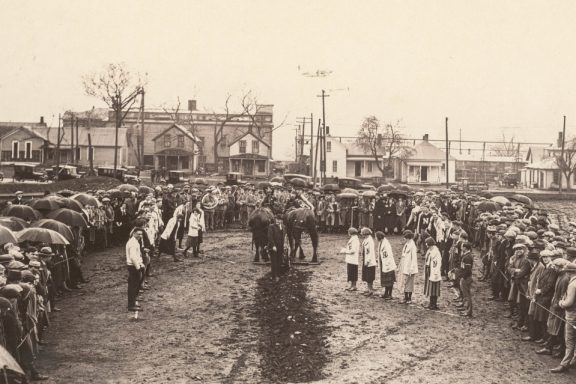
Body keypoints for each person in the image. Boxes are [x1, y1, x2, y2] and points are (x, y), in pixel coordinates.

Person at [550, 260, 576, 373]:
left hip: (572, 315)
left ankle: (564, 364)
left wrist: (561, 303)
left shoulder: (573, 284)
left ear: (570, 273)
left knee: (569, 340)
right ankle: (573, 360)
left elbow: (568, 303)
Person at [126, 228, 145, 311]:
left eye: (141, 234)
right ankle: (131, 305)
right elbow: (133, 257)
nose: (140, 236)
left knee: (135, 285)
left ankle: (133, 300)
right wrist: (138, 267)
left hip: (135, 265)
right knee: (133, 285)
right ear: (134, 233)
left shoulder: (134, 241)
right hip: (133, 266)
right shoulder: (133, 243)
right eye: (138, 234)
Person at [398, 230, 418, 304]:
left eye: (406, 238)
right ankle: (405, 296)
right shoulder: (406, 244)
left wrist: (411, 268)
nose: (405, 239)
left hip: (410, 267)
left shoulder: (412, 245)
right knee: (405, 282)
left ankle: (409, 297)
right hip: (405, 265)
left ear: (408, 238)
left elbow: (414, 258)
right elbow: (403, 255)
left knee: (409, 283)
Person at [423, 237, 442, 310]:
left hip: (434, 272)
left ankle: (433, 304)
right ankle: (431, 303)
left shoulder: (436, 252)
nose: (426, 245)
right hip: (429, 271)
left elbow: (437, 264)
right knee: (431, 288)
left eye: (427, 244)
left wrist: (436, 273)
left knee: (434, 289)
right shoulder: (430, 251)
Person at [376, 231, 396, 300]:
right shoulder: (381, 243)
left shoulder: (386, 243)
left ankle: (390, 294)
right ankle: (386, 293)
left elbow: (388, 254)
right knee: (385, 280)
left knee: (389, 280)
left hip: (388, 264)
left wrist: (387, 263)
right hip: (383, 263)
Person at [456, 242, 474, 316]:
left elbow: (468, 270)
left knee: (467, 295)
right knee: (464, 293)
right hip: (465, 277)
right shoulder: (466, 255)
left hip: (466, 278)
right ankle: (464, 306)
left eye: (462, 246)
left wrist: (463, 277)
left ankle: (468, 311)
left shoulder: (468, 257)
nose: (461, 248)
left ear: (465, 248)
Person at [340, 227, 360, 291]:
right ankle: (351, 285)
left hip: (353, 259)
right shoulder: (352, 238)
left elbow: (353, 250)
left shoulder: (355, 240)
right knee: (350, 273)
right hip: (350, 259)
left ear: (350, 233)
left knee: (353, 272)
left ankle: (354, 286)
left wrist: (345, 251)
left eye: (348, 232)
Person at [267, 213, 286, 282]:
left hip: (281, 246)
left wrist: (284, 245)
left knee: (279, 261)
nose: (278, 221)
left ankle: (278, 274)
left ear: (282, 220)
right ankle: (274, 276)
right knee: (274, 261)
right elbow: (270, 237)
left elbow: (284, 237)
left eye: (280, 220)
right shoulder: (271, 226)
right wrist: (273, 246)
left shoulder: (283, 227)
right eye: (277, 219)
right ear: (275, 220)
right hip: (274, 246)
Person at [360, 227, 376, 296]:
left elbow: (371, 252)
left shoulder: (370, 241)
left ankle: (370, 289)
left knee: (370, 276)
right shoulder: (366, 240)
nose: (361, 235)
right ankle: (368, 288)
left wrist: (368, 260)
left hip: (369, 261)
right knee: (366, 275)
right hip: (365, 259)